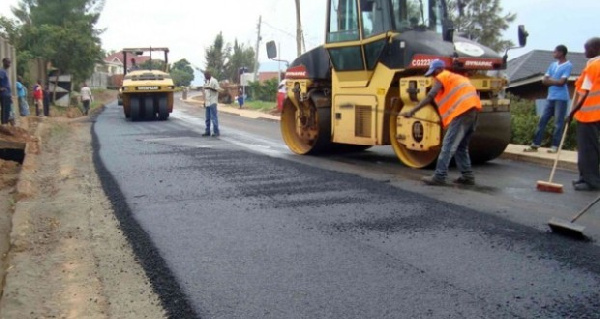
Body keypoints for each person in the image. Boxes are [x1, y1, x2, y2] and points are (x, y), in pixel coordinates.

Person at [401, 59, 482, 186]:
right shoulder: (456, 78)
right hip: (473, 112)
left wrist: (412, 111)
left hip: (462, 111)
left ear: (439, 69)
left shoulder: (442, 76)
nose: (433, 77)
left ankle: (439, 176)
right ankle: (467, 176)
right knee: (461, 147)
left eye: (433, 73)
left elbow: (430, 96)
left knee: (448, 145)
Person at [524, 45, 573, 153]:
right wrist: (554, 80)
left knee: (558, 123)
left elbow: (562, 83)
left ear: (561, 53)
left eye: (555, 52)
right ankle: (535, 144)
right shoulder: (552, 65)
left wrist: (550, 80)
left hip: (561, 98)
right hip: (550, 97)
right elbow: (544, 81)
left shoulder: (568, 65)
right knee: (543, 120)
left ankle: (555, 146)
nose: (553, 54)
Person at [569, 37, 600, 191]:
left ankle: (590, 181)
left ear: (596, 49)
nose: (584, 52)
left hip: (589, 114)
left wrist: (572, 112)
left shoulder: (593, 66)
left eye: (587, 49)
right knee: (592, 147)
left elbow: (585, 93)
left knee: (587, 149)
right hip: (596, 114)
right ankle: (585, 177)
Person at [202, 70, 223, 137]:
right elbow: (206, 92)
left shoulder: (214, 81)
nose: (205, 77)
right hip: (208, 102)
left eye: (206, 75)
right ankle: (207, 131)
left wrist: (210, 88)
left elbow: (218, 90)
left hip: (213, 102)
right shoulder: (207, 82)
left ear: (209, 75)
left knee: (213, 117)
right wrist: (204, 102)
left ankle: (216, 132)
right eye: (204, 76)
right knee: (207, 118)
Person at [0, 58, 13, 125]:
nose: (9, 64)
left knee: (7, 110)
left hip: (7, 94)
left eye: (10, 63)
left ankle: (6, 123)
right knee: (5, 110)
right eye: (8, 62)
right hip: (4, 94)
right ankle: (4, 124)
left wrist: (10, 95)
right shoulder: (2, 71)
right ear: (4, 62)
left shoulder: (5, 71)